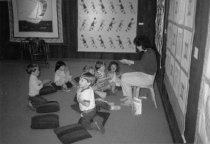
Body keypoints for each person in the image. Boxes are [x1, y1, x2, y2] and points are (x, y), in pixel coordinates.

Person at [119, 35, 157, 106]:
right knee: (123, 76)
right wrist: (129, 61)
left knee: (124, 80)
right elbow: (141, 64)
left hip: (147, 78)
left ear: (143, 45)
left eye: (138, 45)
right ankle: (128, 97)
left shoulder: (149, 54)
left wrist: (128, 62)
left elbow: (140, 67)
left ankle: (130, 101)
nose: (137, 47)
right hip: (145, 73)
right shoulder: (148, 51)